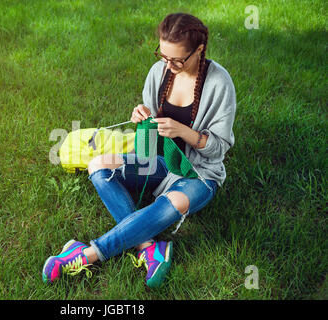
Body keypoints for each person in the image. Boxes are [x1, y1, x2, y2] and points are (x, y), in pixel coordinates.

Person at [43, 12, 236, 288]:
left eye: (177, 60)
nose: (168, 66)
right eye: (163, 56)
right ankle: (148, 246)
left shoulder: (219, 84)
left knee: (177, 202)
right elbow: (148, 142)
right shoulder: (160, 72)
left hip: (199, 174)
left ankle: (86, 254)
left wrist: (184, 132)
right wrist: (141, 115)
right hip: (158, 162)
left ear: (200, 50)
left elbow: (219, 150)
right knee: (98, 165)